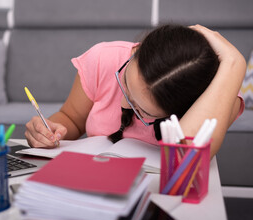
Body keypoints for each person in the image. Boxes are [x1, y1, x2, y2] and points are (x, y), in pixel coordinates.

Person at [25, 24, 246, 158]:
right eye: (126, 82)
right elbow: (71, 119)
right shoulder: (104, 58)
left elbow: (186, 157)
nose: (122, 105)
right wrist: (48, 133)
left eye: (142, 110)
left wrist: (235, 63)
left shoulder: (216, 96)